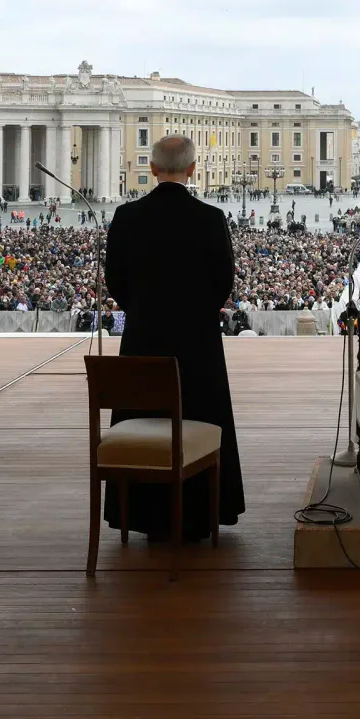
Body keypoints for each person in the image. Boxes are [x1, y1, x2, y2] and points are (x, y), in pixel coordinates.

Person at [104, 135, 244, 541]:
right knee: (201, 417)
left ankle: (142, 515)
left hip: (143, 338)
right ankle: (200, 515)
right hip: (198, 344)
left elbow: (117, 282)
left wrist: (146, 311)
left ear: (151, 169)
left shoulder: (126, 217)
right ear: (192, 169)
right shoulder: (211, 218)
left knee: (142, 417)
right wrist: (194, 313)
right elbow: (223, 282)